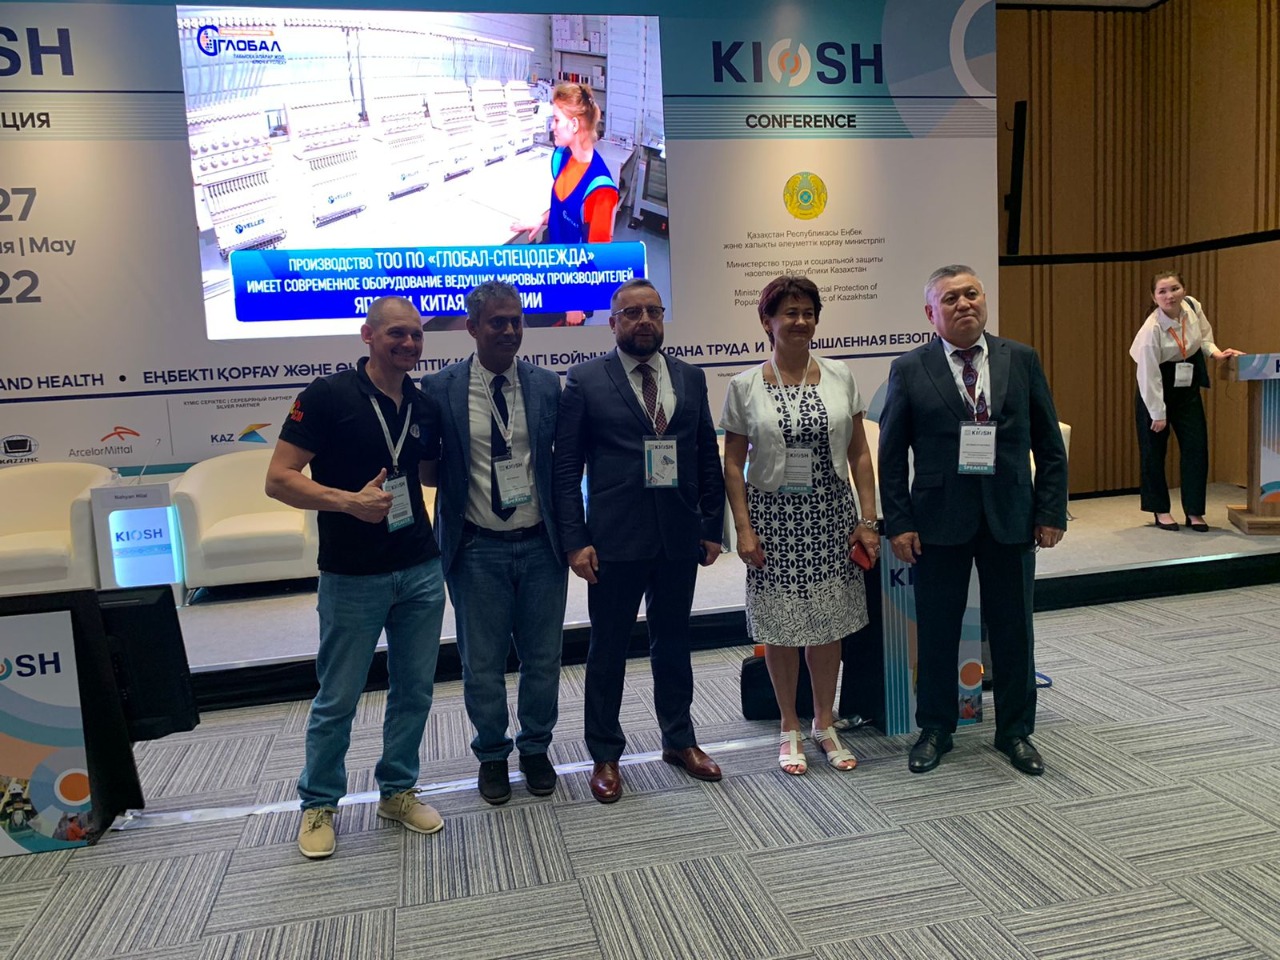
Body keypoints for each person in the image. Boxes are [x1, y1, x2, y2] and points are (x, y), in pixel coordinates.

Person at [266, 295, 447, 859]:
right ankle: (319, 803)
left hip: (420, 567)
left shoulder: (423, 404)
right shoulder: (326, 397)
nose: (409, 343)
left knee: (414, 691)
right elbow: (278, 479)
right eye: (396, 333)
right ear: (367, 335)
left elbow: (427, 474)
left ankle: (397, 791)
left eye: (416, 334)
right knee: (338, 697)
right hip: (351, 575)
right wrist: (348, 501)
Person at [878, 265, 1068, 776]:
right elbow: (891, 457)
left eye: (971, 294)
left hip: (1011, 515)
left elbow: (1049, 444)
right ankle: (935, 729)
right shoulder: (909, 368)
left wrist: (1050, 510)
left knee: (1014, 630)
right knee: (938, 629)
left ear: (984, 300)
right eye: (950, 299)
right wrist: (899, 522)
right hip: (938, 520)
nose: (964, 304)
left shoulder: (1021, 359)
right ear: (930, 313)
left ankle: (1016, 732)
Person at [553, 278, 726, 803]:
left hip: (678, 536)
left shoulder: (690, 377)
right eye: (632, 313)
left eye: (653, 310)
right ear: (612, 323)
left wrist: (711, 526)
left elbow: (705, 453)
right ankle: (605, 753)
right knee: (607, 649)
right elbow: (567, 468)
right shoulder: (585, 379)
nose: (644, 320)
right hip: (614, 539)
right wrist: (575, 540)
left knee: (673, 642)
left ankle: (680, 740)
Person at [720, 275, 881, 776]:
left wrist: (867, 519)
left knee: (829, 624)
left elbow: (859, 453)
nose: (800, 321)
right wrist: (743, 529)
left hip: (830, 516)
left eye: (808, 313)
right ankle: (789, 724)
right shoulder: (744, 386)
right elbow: (733, 464)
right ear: (767, 321)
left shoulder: (840, 376)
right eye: (789, 313)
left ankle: (824, 722)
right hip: (772, 520)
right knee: (781, 624)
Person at [420, 281, 567, 805]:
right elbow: (429, 468)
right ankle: (491, 755)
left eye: (516, 321)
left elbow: (561, 468)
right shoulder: (440, 387)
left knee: (543, 659)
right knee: (481, 664)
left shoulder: (547, 385)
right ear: (472, 327)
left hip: (541, 546)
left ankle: (535, 748)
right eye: (497, 322)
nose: (509, 330)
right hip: (476, 548)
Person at [1130, 271, 1243, 532]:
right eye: (1162, 291)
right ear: (1154, 297)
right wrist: (1158, 413)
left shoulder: (1192, 306)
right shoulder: (1151, 330)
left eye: (1174, 289)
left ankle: (1194, 511)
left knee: (1196, 447)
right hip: (1156, 388)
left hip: (1186, 382)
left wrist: (1216, 353)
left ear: (1184, 290)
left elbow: (1204, 337)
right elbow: (1148, 376)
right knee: (1153, 451)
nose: (1169, 296)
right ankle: (1160, 510)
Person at [512, 82, 619, 327]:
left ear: (574, 124)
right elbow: (564, 208)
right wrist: (542, 218)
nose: (552, 126)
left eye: (556, 120)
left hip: (573, 282)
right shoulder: (561, 157)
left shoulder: (600, 189)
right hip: (550, 262)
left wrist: (576, 302)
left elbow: (599, 256)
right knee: (532, 318)